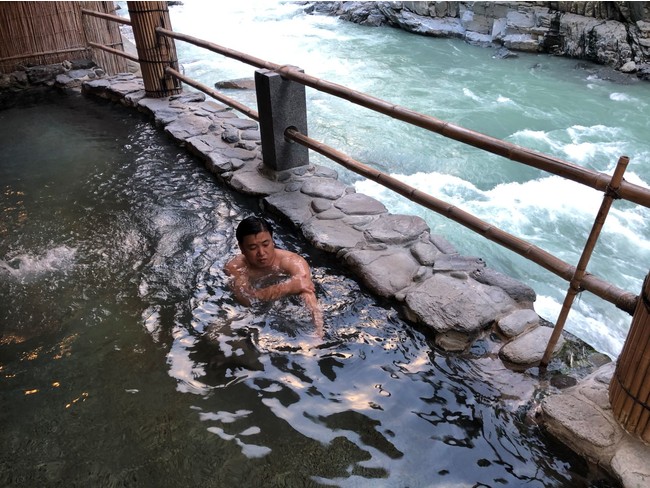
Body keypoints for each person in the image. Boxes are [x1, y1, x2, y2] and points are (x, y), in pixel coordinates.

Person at [224, 216, 324, 337]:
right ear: (241, 248)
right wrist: (287, 287)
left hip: (287, 311)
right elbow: (247, 299)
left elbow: (308, 293)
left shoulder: (292, 262)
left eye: (266, 244)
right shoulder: (235, 267)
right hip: (254, 316)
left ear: (273, 241)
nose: (261, 253)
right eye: (253, 248)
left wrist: (318, 332)